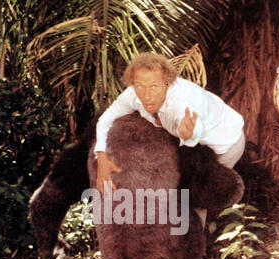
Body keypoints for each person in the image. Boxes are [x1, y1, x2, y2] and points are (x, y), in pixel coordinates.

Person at [94, 52, 245, 225]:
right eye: (139, 85)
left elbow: (194, 131)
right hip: (193, 145)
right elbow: (105, 120)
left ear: (167, 83)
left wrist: (188, 133)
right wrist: (101, 156)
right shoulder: (133, 94)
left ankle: (203, 241)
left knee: (196, 196)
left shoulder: (181, 103)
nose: (146, 95)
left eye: (154, 86)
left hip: (225, 142)